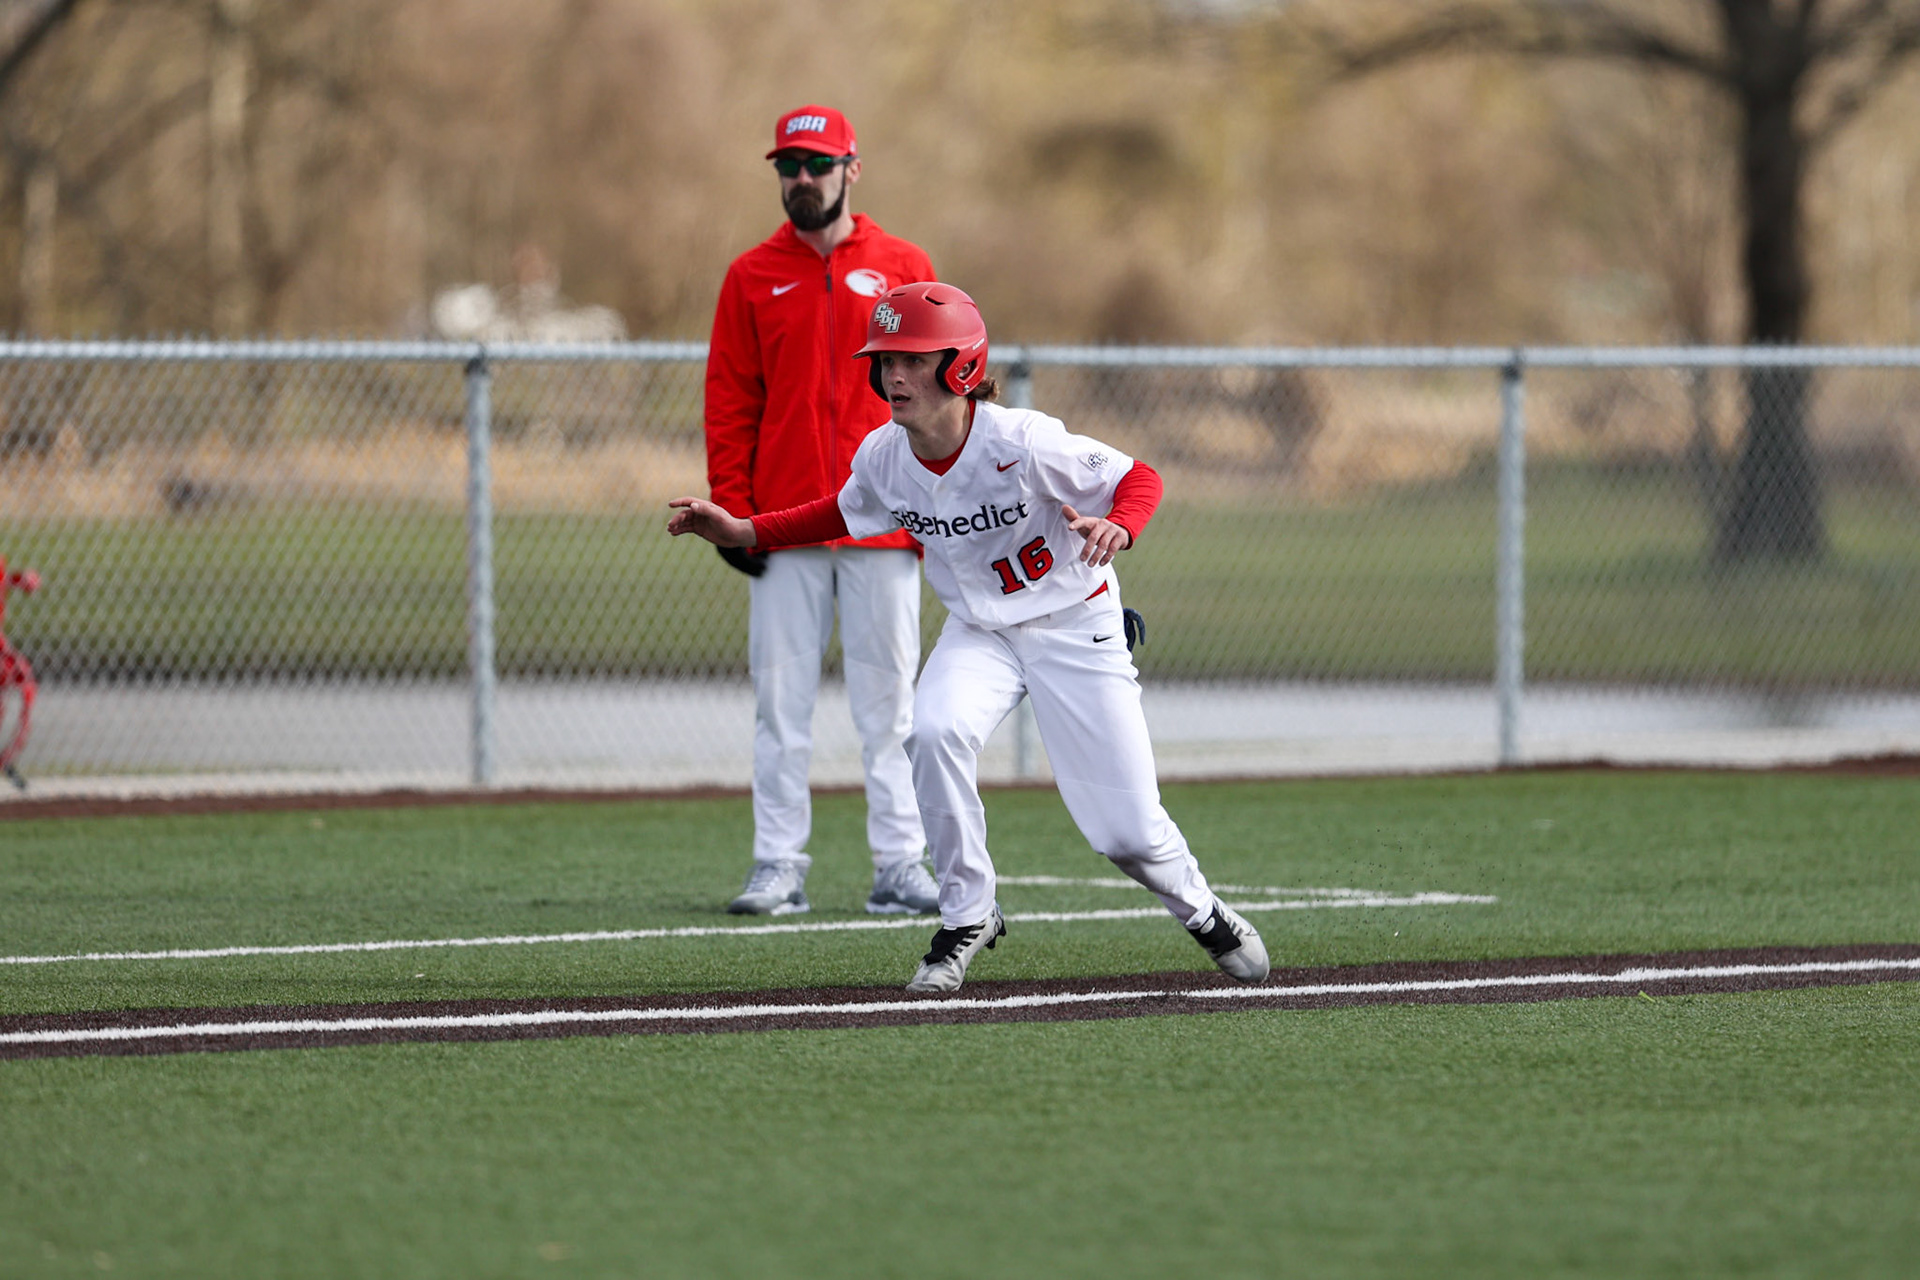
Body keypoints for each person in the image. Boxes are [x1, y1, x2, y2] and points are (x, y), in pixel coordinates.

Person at [670, 282, 1270, 992]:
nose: (894, 375)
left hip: (1075, 625)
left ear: (961, 366)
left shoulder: (1021, 439)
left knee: (1125, 834)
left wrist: (1121, 525)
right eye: (885, 359)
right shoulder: (884, 455)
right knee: (932, 731)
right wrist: (744, 529)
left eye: (915, 360)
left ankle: (1203, 912)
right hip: (981, 631)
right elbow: (840, 511)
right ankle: (967, 914)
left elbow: (1138, 477)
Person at [703, 105, 940, 918]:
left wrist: (935, 505)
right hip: (785, 525)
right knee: (780, 705)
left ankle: (901, 865)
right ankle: (778, 863)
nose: (800, 179)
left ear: (851, 168)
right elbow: (731, 398)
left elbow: (940, 391)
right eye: (786, 167)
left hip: (882, 529)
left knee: (892, 709)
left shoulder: (903, 264)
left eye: (816, 164)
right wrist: (735, 510)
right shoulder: (749, 276)